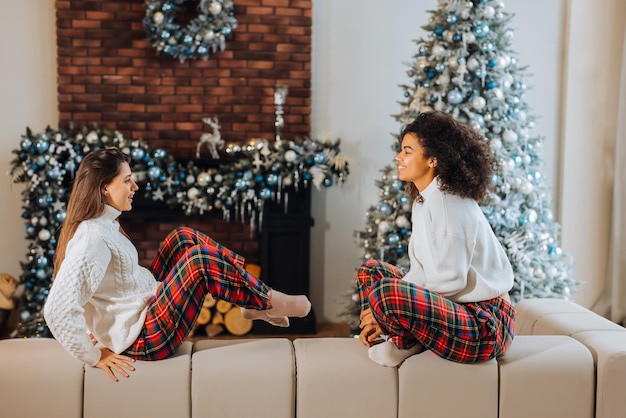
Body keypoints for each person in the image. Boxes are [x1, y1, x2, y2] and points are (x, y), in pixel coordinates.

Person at [44, 147, 311, 381]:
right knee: (198, 260)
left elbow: (101, 294)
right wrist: (92, 355)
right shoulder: (92, 238)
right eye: (127, 181)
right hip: (143, 337)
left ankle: (249, 302)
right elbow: (58, 308)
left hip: (143, 310)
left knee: (181, 238)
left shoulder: (105, 225)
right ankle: (270, 300)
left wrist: (96, 328)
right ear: (104, 188)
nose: (135, 187)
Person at [357, 110, 516, 367]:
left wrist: (382, 309)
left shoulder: (447, 201)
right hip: (458, 310)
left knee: (385, 293)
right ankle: (406, 340)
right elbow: (422, 273)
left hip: (485, 325)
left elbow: (451, 279)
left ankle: (404, 342)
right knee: (372, 272)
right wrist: (382, 311)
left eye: (408, 151)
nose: (399, 157)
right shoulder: (424, 201)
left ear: (432, 159)